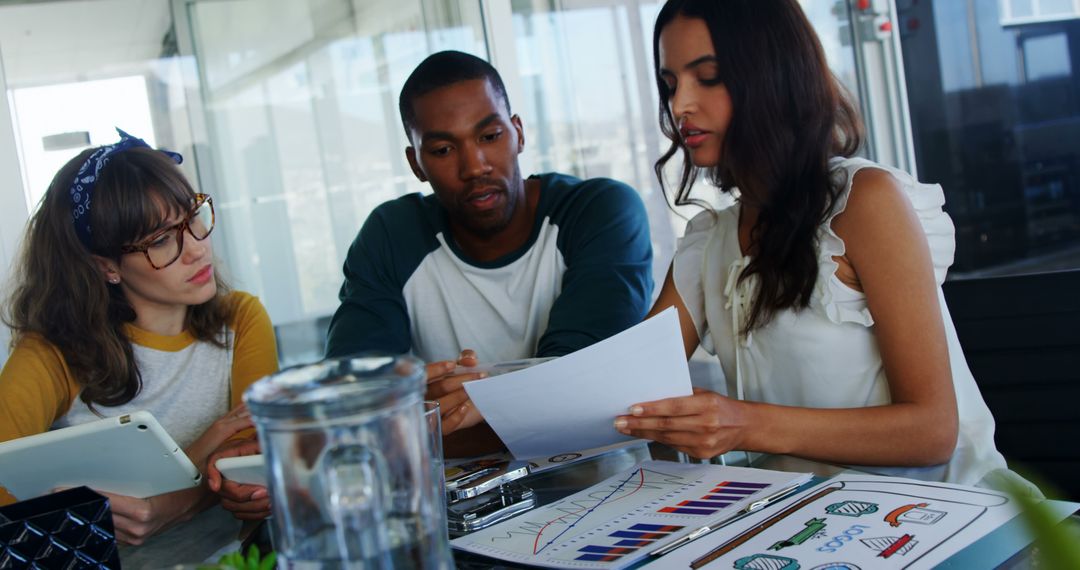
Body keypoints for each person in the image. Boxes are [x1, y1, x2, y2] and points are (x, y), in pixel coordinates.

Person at [613, 0, 1014, 488]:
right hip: (813, 528)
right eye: (671, 85)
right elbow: (628, 390)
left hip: (949, 517)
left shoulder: (863, 202)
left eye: (709, 76)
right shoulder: (707, 241)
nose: (679, 106)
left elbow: (932, 431)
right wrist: (500, 397)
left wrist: (744, 424)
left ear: (773, 77)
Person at [325, 51, 655, 447]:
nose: (474, 166)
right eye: (443, 150)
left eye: (489, 136)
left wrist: (428, 413)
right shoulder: (391, 235)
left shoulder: (599, 211)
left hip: (608, 482)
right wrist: (514, 398)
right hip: (462, 496)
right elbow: (355, 398)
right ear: (416, 164)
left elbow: (580, 383)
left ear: (518, 132)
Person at [0, 130, 279, 552]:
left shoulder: (240, 318)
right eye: (162, 240)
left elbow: (251, 466)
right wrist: (205, 449)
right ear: (107, 267)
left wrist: (170, 504)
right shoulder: (52, 354)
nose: (197, 249)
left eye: (194, 216)